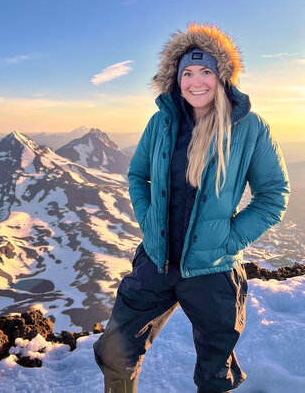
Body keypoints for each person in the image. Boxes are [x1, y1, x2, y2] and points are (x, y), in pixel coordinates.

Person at [93, 23, 290, 393]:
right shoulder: (161, 122)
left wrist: (229, 241)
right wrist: (149, 220)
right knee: (114, 353)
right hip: (156, 260)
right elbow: (138, 176)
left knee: (215, 373)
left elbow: (274, 194)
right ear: (176, 79)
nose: (196, 81)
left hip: (213, 270)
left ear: (223, 77)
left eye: (206, 72)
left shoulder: (250, 127)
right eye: (187, 72)